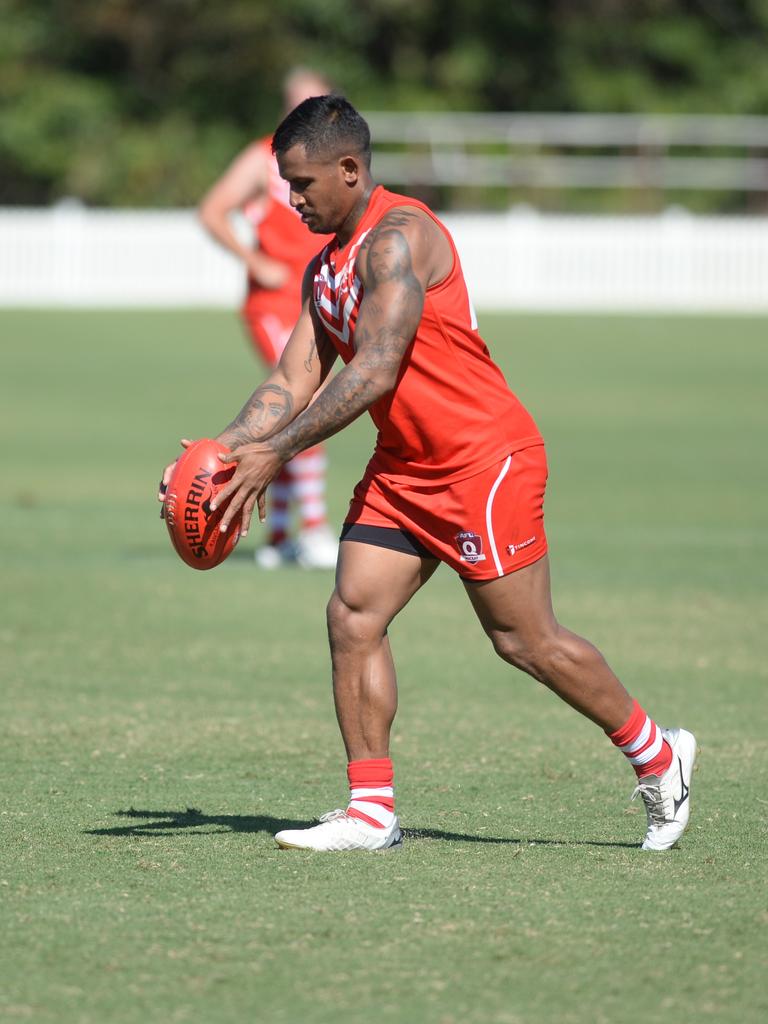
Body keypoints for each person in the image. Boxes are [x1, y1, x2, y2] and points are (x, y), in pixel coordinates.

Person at [161, 95, 696, 853]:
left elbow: (374, 369)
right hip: (405, 470)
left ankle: (658, 755)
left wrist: (276, 453)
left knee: (525, 641)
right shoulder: (324, 269)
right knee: (352, 616)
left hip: (484, 462)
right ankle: (371, 811)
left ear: (350, 169)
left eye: (304, 183)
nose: (292, 199)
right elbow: (291, 380)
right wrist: (214, 457)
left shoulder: (399, 239)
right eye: (286, 183)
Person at [198, 68, 338, 570]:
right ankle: (315, 530)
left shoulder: (328, 161)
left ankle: (279, 539)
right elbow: (213, 209)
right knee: (307, 401)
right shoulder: (264, 157)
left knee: (292, 412)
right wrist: (254, 261)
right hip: (276, 303)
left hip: (316, 299)